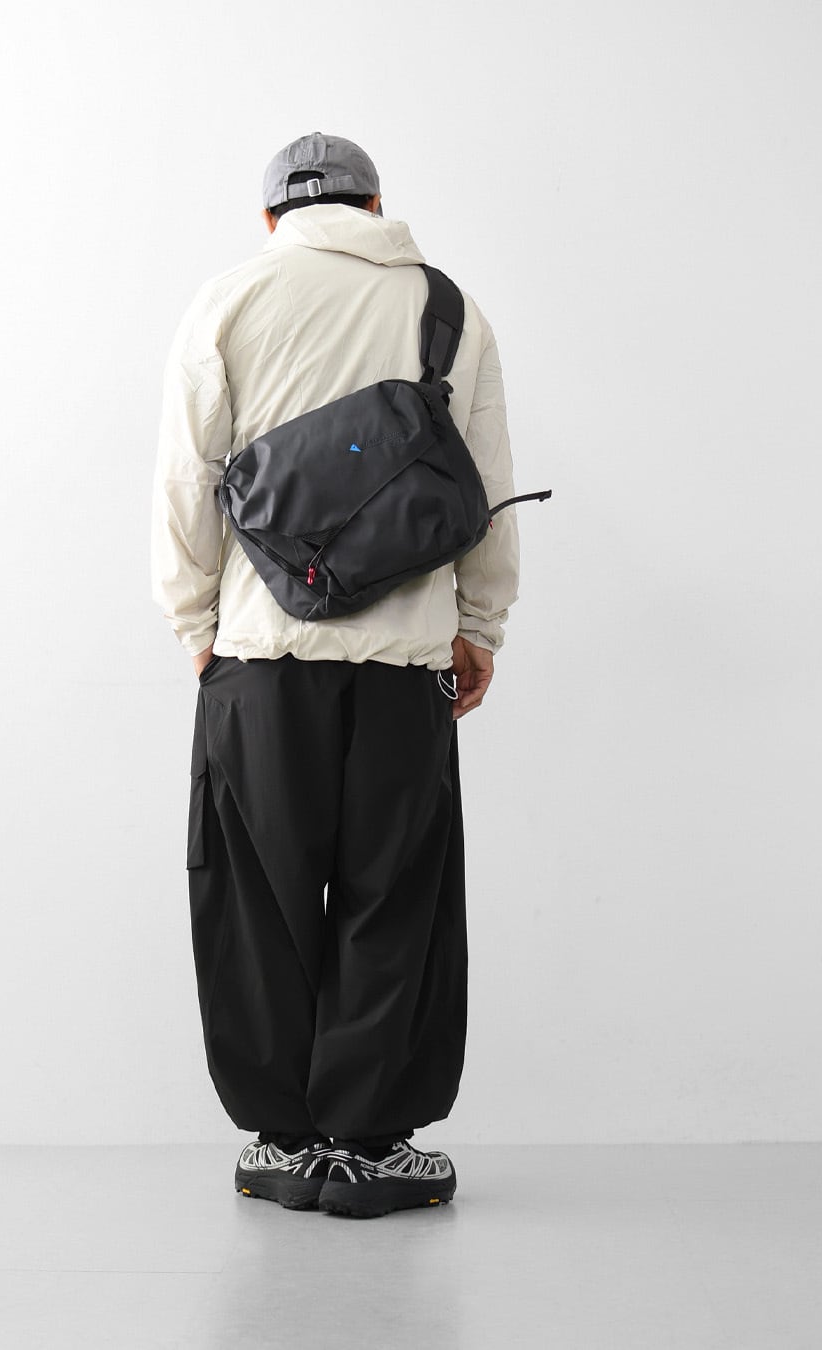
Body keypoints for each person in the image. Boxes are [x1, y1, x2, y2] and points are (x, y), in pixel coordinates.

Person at [150, 131, 520, 1219]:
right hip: (407, 662)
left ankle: (283, 1143)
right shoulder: (447, 307)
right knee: (393, 895)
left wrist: (195, 625)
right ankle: (371, 1150)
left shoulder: (227, 301)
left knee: (256, 898)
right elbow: (486, 483)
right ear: (374, 202)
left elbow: (186, 480)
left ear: (273, 216)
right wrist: (479, 626)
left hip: (260, 658)